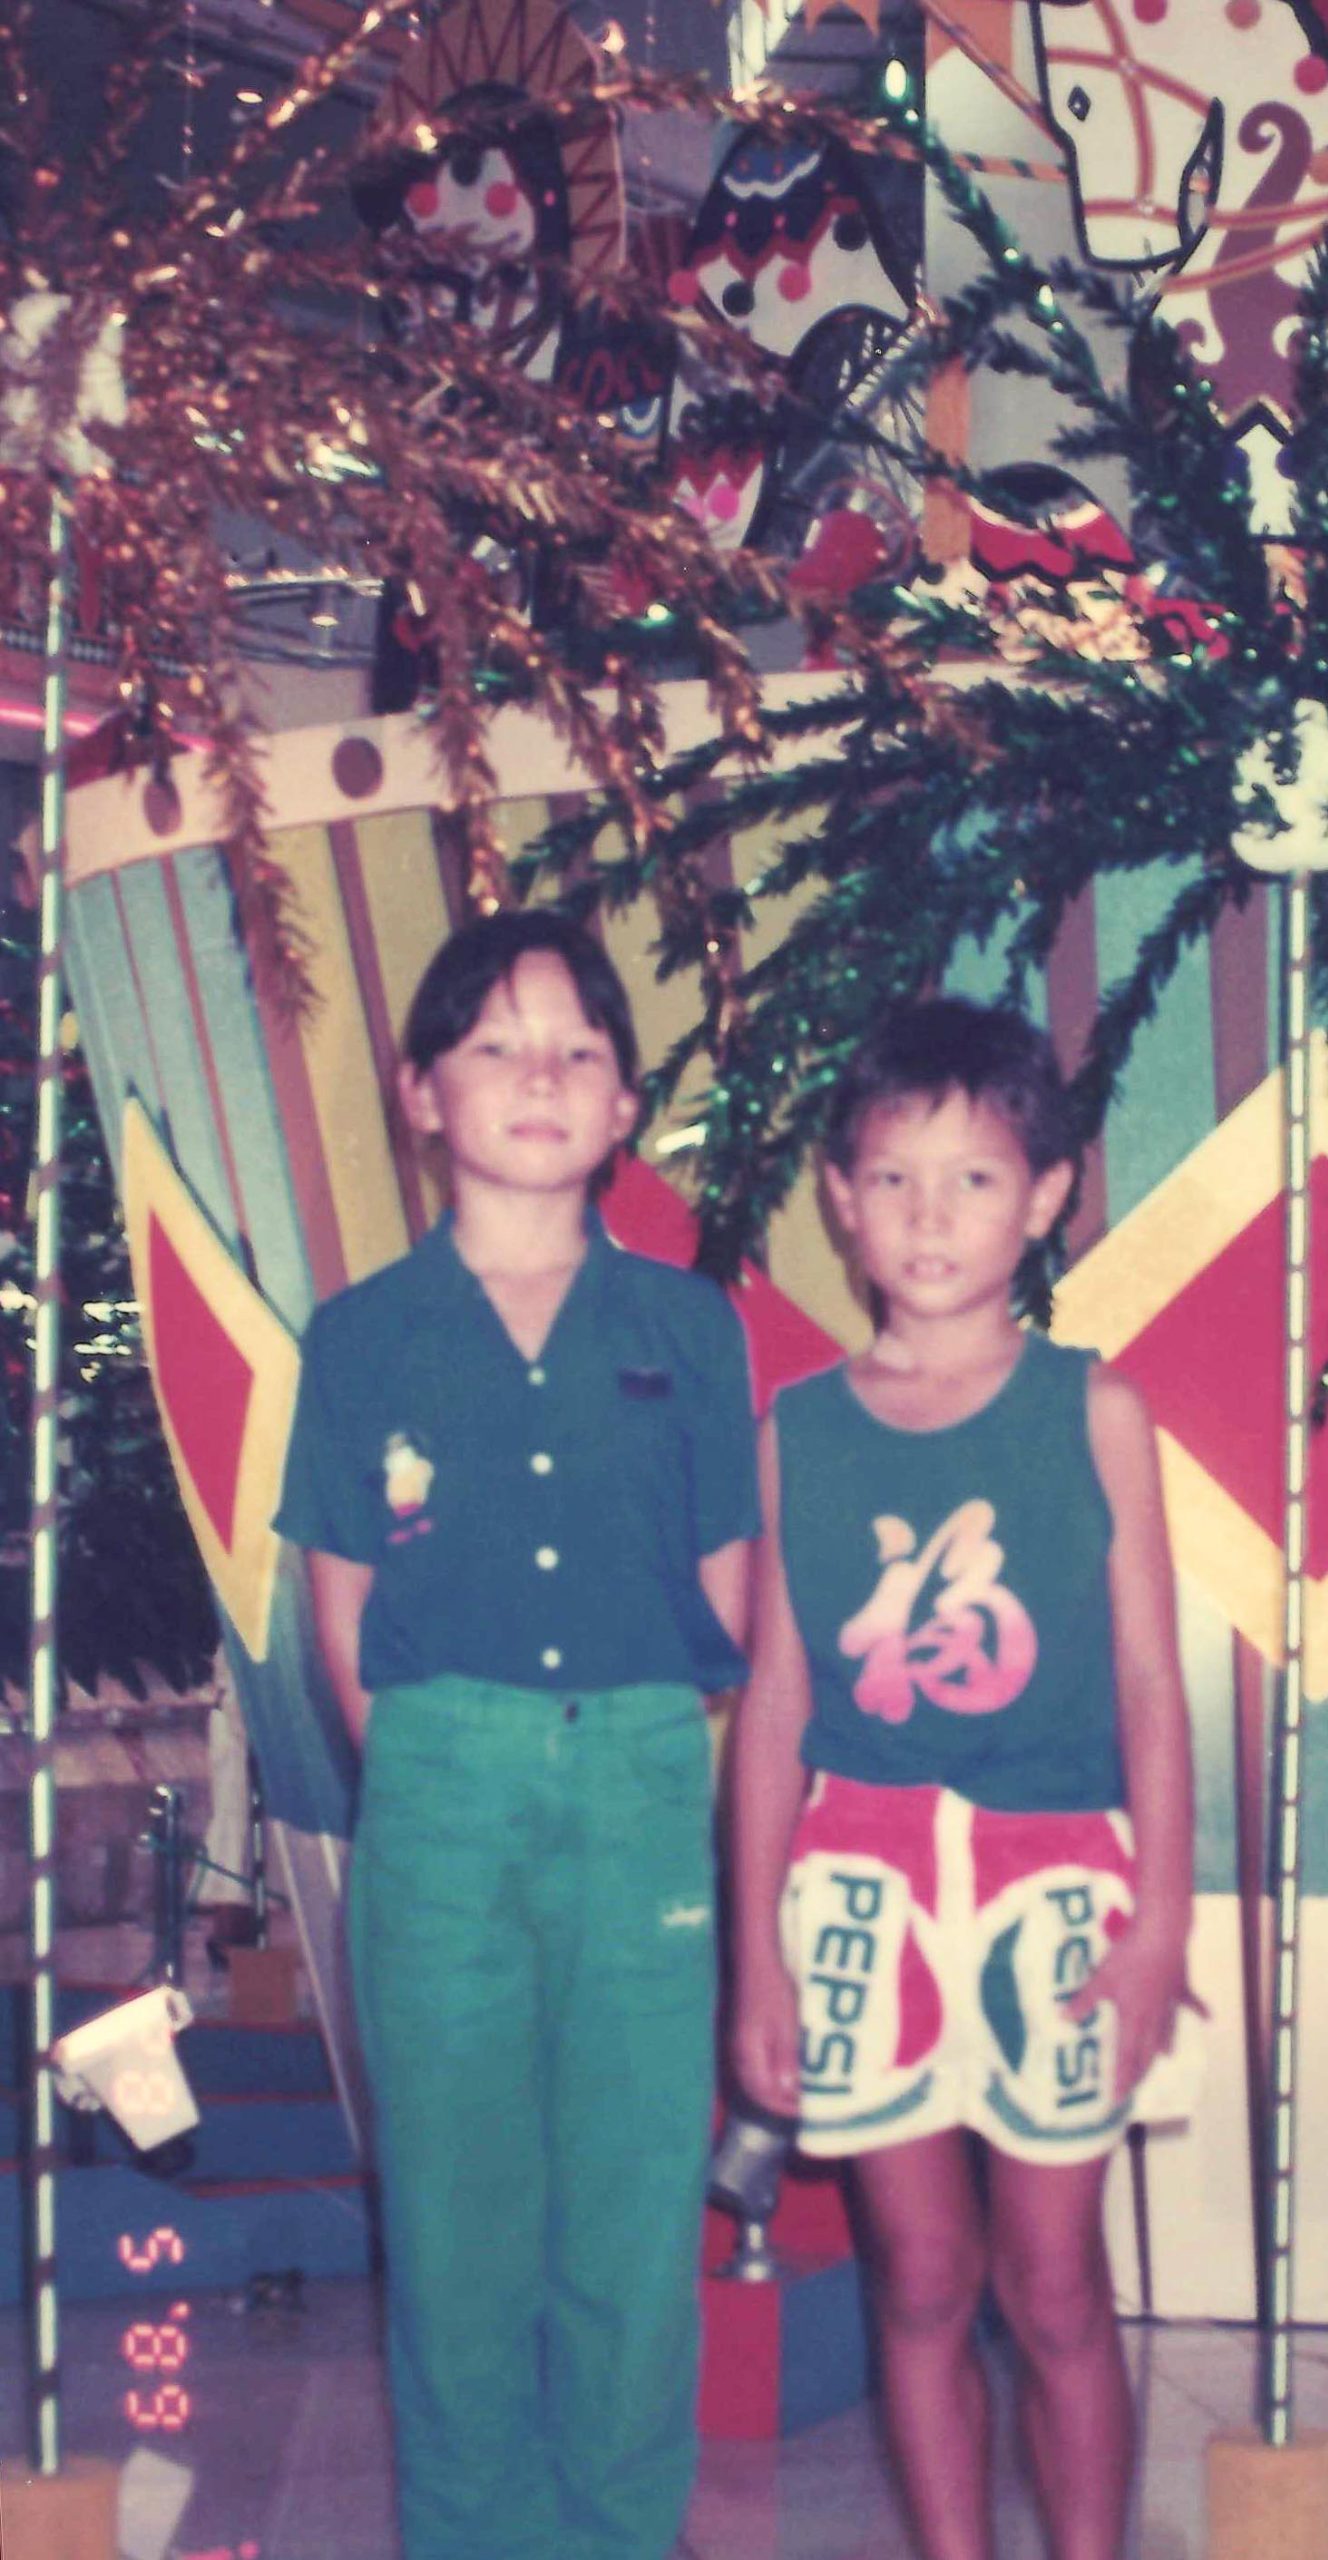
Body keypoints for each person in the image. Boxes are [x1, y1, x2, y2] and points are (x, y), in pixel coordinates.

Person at [275, 908, 757, 2560]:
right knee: (457, 2226)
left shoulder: (688, 1327)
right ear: (423, 1094)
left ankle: (617, 2536)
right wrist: (441, 1768)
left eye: (576, 1050)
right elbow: (342, 1609)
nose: (538, 1076)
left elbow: (728, 1585)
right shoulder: (362, 1337)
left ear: (624, 1105)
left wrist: (633, 1743)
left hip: (639, 1778)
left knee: (632, 2214)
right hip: (441, 1793)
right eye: (495, 1046)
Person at [729, 997, 1194, 2560]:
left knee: (1053, 2285)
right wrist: (758, 1963)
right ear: (840, 1200)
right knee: (918, 2279)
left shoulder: (1096, 1411)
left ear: (1046, 1195)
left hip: (1055, 1879)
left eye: (974, 1179)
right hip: (854, 1884)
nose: (929, 1217)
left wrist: (1159, 1925)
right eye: (894, 1179)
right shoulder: (796, 1429)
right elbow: (776, 1703)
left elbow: (1149, 1687)